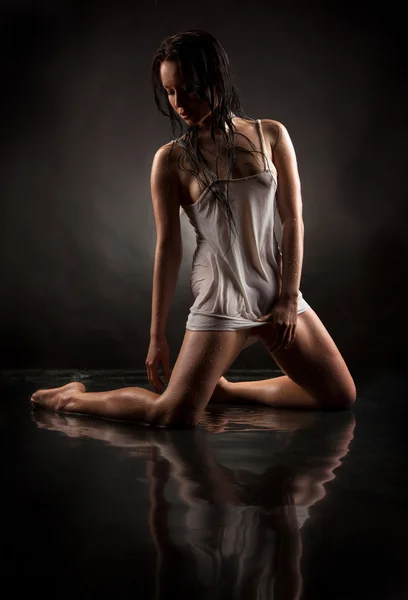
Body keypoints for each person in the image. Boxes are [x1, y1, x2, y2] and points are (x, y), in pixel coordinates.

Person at [30, 29, 356, 427]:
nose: (179, 103)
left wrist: (288, 298)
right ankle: (67, 400)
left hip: (274, 293)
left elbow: (293, 220)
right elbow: (168, 248)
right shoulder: (170, 160)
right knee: (169, 415)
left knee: (339, 394)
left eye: (187, 89)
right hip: (221, 298)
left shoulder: (271, 134)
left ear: (214, 79)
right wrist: (156, 336)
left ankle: (227, 391)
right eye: (169, 92)